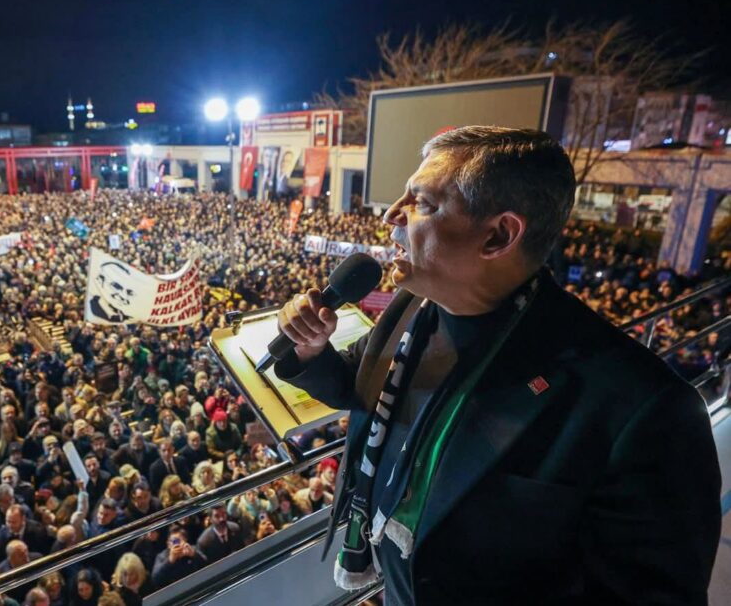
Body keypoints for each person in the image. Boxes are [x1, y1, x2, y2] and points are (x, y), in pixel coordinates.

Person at [271, 126, 721, 603]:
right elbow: (356, 386)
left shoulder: (644, 408)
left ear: (499, 235)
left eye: (422, 203)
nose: (390, 214)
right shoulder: (411, 310)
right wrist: (311, 348)